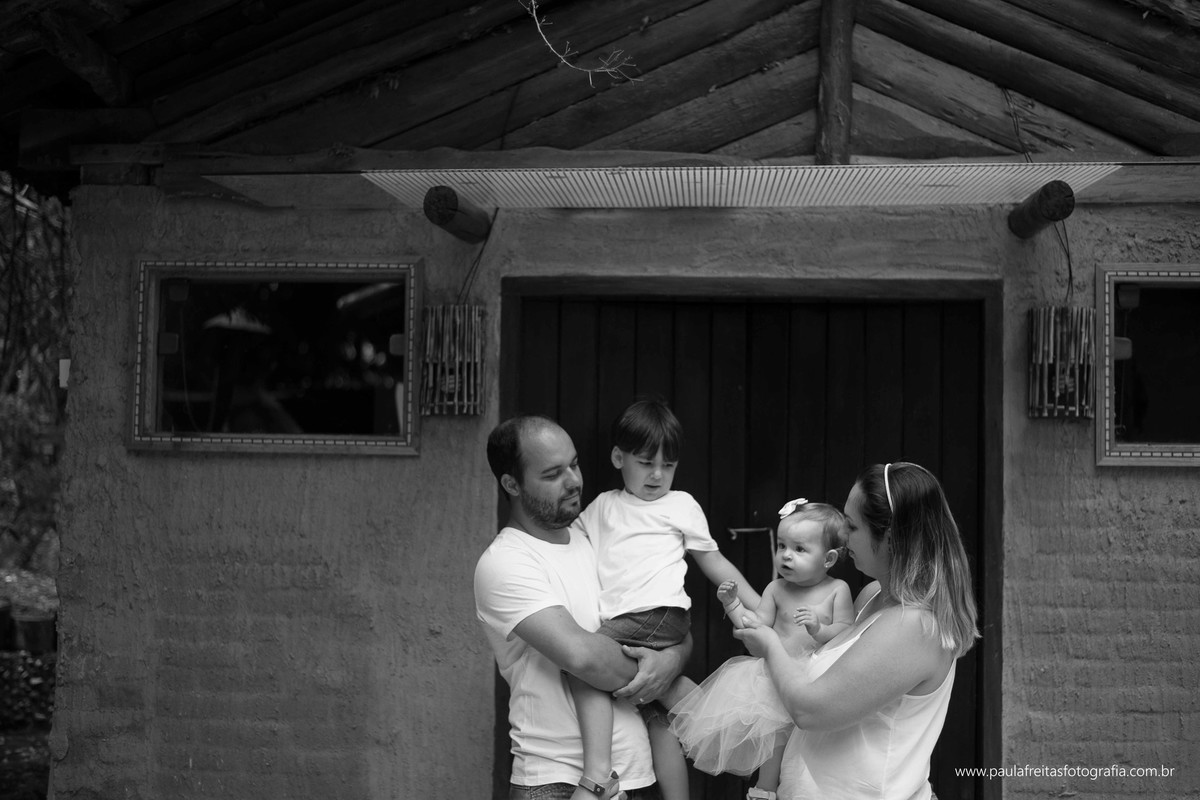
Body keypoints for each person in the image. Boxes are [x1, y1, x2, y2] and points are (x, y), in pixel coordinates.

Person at [474, 414, 693, 800]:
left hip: (634, 775)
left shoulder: (594, 536)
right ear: (511, 484)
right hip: (559, 781)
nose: (574, 480)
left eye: (574, 464)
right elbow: (585, 658)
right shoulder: (506, 562)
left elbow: (666, 622)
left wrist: (671, 661)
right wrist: (663, 680)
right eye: (553, 473)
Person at [734, 462, 979, 800]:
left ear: (890, 536)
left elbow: (810, 710)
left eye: (851, 525)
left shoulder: (914, 624)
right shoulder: (871, 598)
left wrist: (770, 644)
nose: (843, 536)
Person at [568, 399, 763, 800]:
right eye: (645, 463)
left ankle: (598, 777)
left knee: (584, 664)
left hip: (657, 615)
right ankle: (687, 705)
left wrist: (761, 609)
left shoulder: (680, 505)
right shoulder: (603, 506)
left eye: (669, 465)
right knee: (661, 720)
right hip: (634, 621)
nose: (658, 475)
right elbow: (569, 541)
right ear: (618, 457)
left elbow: (714, 562)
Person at [669, 499, 853, 800]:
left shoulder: (837, 590)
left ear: (829, 558)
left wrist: (819, 629)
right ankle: (764, 788)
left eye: (799, 549)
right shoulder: (775, 589)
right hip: (774, 675)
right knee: (774, 735)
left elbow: (846, 631)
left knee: (809, 742)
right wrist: (733, 605)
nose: (786, 556)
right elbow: (756, 625)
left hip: (813, 675)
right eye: (782, 546)